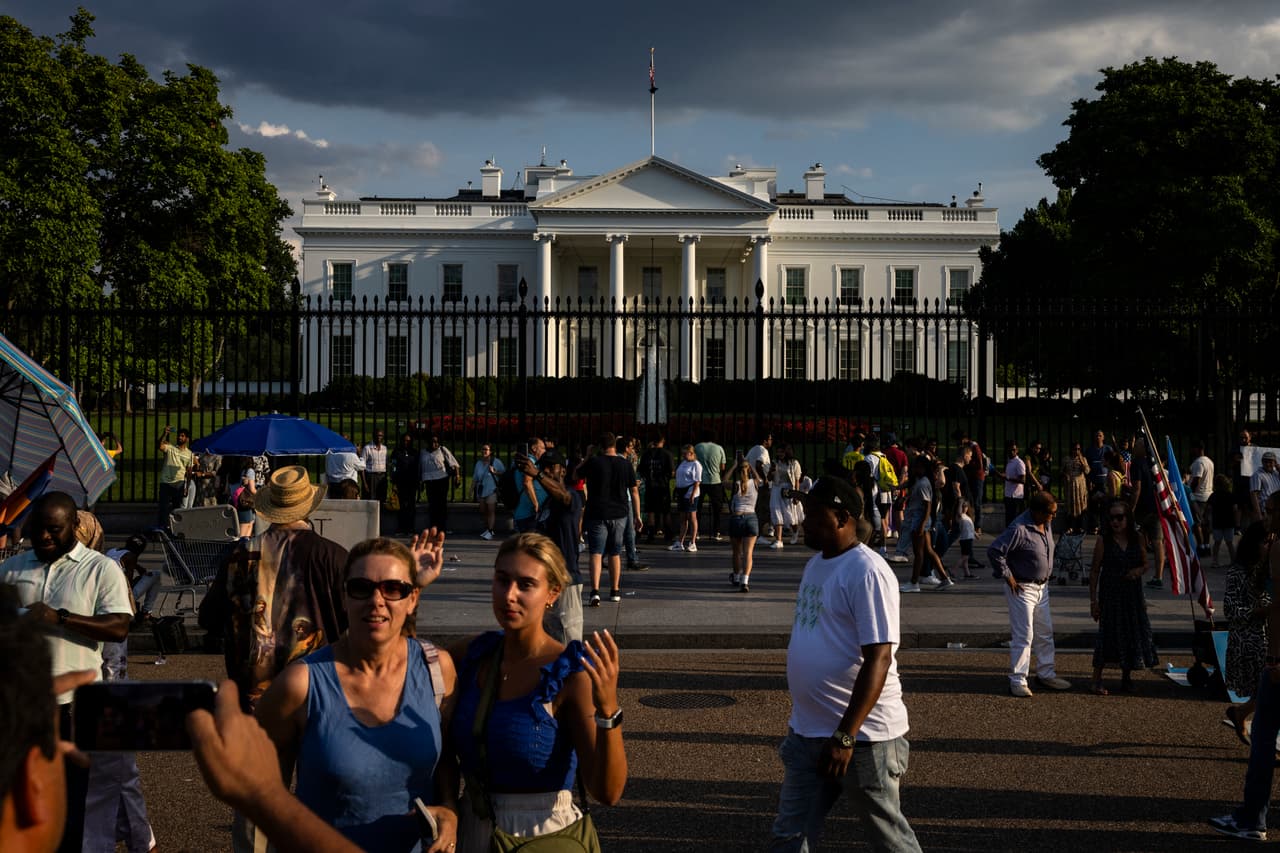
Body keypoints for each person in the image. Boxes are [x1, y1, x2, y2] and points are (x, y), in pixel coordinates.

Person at [255, 536, 459, 852]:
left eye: (393, 589)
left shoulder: (436, 669)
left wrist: (449, 810)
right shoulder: (302, 683)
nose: (376, 600)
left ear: (413, 598)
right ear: (345, 596)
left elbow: (446, 758)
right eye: (361, 588)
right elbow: (261, 782)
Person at [769, 476, 921, 852]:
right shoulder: (816, 565)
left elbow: (879, 658)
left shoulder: (868, 571)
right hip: (808, 733)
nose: (803, 521)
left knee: (890, 841)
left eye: (813, 514)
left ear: (841, 518)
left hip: (864, 738)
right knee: (789, 835)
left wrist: (845, 735)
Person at [449, 533, 626, 852]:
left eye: (526, 584)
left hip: (539, 835)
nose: (509, 595)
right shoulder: (472, 654)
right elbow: (406, 663)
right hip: (472, 830)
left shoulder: (569, 674)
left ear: (553, 593)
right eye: (502, 580)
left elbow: (608, 792)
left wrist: (609, 710)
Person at [0, 493, 132, 853]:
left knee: (71, 807)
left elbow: (119, 625)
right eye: (37, 529)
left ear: (75, 526)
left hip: (73, 707)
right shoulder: (12, 568)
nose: (44, 537)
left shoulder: (100, 568)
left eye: (54, 530)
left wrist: (59, 618)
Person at [205, 466, 349, 713]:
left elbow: (210, 617)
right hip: (319, 691)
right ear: (308, 506)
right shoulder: (333, 556)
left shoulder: (239, 555)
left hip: (253, 696)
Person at [1210, 494, 1280, 842]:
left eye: (1271, 514)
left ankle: (1253, 818)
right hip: (1255, 642)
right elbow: (1234, 610)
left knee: (1265, 732)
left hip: (1273, 650)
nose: (1268, 523)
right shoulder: (1244, 569)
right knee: (1265, 728)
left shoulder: (1276, 555)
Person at [84, 539, 157, 853]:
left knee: (115, 773)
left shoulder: (101, 568)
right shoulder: (106, 567)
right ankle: (137, 838)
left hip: (101, 690)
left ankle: (138, 839)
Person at [988, 491, 1072, 698]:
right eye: (1050, 513)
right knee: (1024, 634)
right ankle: (1018, 680)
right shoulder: (1019, 529)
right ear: (1036, 511)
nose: (1053, 517)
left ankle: (1046, 673)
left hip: (1042, 587)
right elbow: (995, 551)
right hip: (1023, 587)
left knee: (1045, 632)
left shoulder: (1045, 523)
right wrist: (1008, 576)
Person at [1087, 501, 1158, 695]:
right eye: (1111, 518)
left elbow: (1145, 564)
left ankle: (1126, 677)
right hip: (1111, 593)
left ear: (1128, 518)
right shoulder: (1104, 540)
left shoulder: (1137, 538)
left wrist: (1137, 571)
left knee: (1130, 633)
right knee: (1107, 634)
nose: (1115, 522)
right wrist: (1093, 601)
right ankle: (1096, 679)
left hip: (1132, 593)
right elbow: (1094, 571)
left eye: (1120, 517)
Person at [1222, 520, 1271, 744]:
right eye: (1265, 542)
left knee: (1268, 690)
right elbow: (1230, 609)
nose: (1268, 547)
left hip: (1269, 637)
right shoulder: (1238, 571)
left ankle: (1242, 714)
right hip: (1249, 640)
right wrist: (1258, 611)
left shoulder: (1269, 568)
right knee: (1268, 689)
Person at [579, 432, 642, 607]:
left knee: (596, 553)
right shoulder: (625, 464)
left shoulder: (594, 463)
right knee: (615, 552)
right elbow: (634, 490)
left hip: (597, 511)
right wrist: (637, 515)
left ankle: (595, 591)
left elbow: (576, 475)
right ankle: (615, 590)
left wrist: (588, 455)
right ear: (615, 445)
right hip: (619, 512)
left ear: (600, 446)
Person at [728, 452, 763, 592]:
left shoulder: (736, 485)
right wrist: (751, 465)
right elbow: (759, 478)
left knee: (736, 552)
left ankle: (736, 577)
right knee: (748, 552)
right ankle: (745, 580)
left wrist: (734, 466)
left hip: (736, 518)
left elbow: (723, 480)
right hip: (751, 518)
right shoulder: (754, 483)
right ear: (748, 470)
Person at [419, 435, 460, 532]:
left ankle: (442, 527)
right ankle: (433, 526)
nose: (434, 444)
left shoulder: (442, 450)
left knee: (441, 504)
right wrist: (420, 481)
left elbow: (454, 463)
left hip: (442, 479)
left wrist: (457, 477)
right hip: (429, 481)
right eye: (432, 442)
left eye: (436, 442)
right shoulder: (423, 453)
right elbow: (420, 468)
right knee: (432, 504)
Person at [155, 425, 194, 529]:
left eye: (182, 436)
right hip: (166, 483)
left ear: (187, 439)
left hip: (179, 483)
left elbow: (189, 471)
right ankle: (161, 528)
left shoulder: (190, 454)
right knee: (163, 508)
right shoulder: (170, 448)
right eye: (179, 435)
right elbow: (159, 445)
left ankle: (175, 529)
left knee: (177, 509)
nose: (179, 437)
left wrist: (187, 486)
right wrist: (165, 434)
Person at [638, 433, 674, 542]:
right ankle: (668, 534)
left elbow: (641, 469)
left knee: (651, 511)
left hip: (650, 485)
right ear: (662, 441)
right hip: (663, 485)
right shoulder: (667, 454)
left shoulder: (646, 454)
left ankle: (650, 535)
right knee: (666, 511)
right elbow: (672, 471)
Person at [694, 430, 727, 542]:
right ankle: (716, 532)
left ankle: (696, 531)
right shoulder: (719, 448)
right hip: (715, 481)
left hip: (701, 480)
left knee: (697, 507)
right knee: (716, 508)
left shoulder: (697, 447)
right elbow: (722, 467)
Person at [767, 445, 802, 550]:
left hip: (788, 489)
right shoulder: (775, 462)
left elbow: (796, 480)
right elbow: (769, 478)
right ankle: (779, 540)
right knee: (776, 511)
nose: (779, 454)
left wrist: (796, 494)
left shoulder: (794, 463)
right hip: (777, 488)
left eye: (782, 452)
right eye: (778, 452)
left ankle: (795, 531)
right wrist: (771, 470)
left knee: (790, 513)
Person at [670, 444, 703, 552]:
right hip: (681, 492)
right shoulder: (684, 463)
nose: (683, 456)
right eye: (682, 454)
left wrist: (692, 495)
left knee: (692, 517)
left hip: (689, 492)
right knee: (683, 518)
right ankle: (680, 542)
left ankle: (693, 542)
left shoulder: (696, 464)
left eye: (685, 454)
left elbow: (697, 481)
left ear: (692, 453)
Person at [512, 437, 548, 534]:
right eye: (543, 448)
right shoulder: (529, 462)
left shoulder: (526, 461)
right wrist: (535, 503)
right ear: (534, 448)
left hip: (525, 512)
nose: (545, 451)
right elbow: (527, 482)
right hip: (529, 513)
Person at [1185, 440, 1215, 553]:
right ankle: (1207, 545)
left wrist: (1190, 492)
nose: (1191, 451)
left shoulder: (1199, 463)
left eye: (1193, 448)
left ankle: (1201, 546)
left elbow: (1196, 479)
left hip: (1198, 497)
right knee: (1206, 523)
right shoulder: (1210, 461)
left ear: (1199, 449)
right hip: (1208, 495)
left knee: (1197, 523)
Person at [472, 443, 505, 541]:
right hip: (481, 490)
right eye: (482, 449)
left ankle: (490, 531)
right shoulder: (478, 463)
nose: (484, 451)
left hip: (492, 490)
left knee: (491, 511)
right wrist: (470, 491)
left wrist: (495, 472)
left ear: (490, 451)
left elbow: (504, 473)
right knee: (483, 511)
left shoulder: (496, 462)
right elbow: (475, 478)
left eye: (486, 449)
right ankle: (488, 529)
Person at [746, 433, 775, 541]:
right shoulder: (763, 450)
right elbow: (759, 464)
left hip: (753, 484)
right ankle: (759, 534)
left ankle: (757, 533)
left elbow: (746, 463)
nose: (771, 441)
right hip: (763, 485)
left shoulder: (753, 449)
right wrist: (765, 479)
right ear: (765, 440)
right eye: (770, 439)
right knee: (765, 509)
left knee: (757, 509)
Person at [391, 433, 420, 535]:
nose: (406, 443)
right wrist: (393, 478)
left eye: (408, 441)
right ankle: (401, 527)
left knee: (411, 506)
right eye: (404, 440)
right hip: (400, 482)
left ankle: (410, 528)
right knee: (401, 505)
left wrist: (418, 481)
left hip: (411, 482)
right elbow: (393, 465)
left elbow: (418, 468)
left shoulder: (415, 453)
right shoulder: (396, 452)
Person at [1209, 474, 1240, 567]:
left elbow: (1209, 508)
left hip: (1217, 521)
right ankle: (1233, 561)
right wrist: (1237, 522)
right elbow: (1235, 509)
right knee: (1230, 543)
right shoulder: (1230, 495)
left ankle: (1215, 561)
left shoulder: (1213, 495)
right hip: (1229, 522)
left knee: (1217, 543)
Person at [1059, 442, 1090, 532]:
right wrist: (1065, 475)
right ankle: (1070, 527)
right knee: (1070, 506)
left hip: (1080, 487)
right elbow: (1060, 472)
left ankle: (1080, 526)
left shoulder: (1083, 459)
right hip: (1070, 487)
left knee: (1081, 506)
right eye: (1075, 449)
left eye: (1078, 449)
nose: (1076, 451)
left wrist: (1082, 462)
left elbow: (1087, 471)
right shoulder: (1066, 459)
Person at [1250, 451, 1280, 530]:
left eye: (1270, 461)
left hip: (1277, 512)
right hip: (1266, 512)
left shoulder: (1277, 474)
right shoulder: (1257, 475)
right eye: (1265, 461)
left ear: (1275, 463)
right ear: (1262, 462)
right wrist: (1258, 514)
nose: (1267, 464)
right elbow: (1254, 494)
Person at [1001, 440, 1027, 529]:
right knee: (1009, 522)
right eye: (1009, 450)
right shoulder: (1009, 462)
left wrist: (1008, 478)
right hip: (1008, 495)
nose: (1012, 452)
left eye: (1013, 450)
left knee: (1014, 523)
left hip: (1016, 497)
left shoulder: (1019, 463)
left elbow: (1023, 480)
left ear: (1017, 450)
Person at [360, 430, 388, 504]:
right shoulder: (367, 448)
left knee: (381, 498)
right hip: (371, 477)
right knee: (371, 499)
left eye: (381, 435)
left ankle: (380, 514)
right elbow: (362, 467)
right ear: (373, 436)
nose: (379, 437)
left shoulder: (384, 449)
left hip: (382, 476)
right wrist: (364, 483)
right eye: (377, 435)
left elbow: (387, 464)